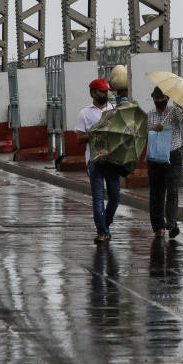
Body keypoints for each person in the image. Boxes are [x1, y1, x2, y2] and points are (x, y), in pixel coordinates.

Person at [75, 78, 117, 243]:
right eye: (101, 91)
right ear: (93, 93)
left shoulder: (114, 110)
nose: (105, 94)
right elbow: (79, 139)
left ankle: (104, 224)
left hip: (113, 160)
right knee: (98, 197)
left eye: (106, 91)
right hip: (94, 161)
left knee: (115, 197)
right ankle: (102, 232)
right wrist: (95, 134)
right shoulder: (84, 113)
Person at [147, 86, 183, 238]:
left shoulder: (174, 111)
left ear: (168, 98)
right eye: (157, 100)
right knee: (156, 192)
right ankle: (158, 226)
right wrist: (153, 129)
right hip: (155, 157)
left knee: (172, 191)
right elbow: (141, 134)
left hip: (173, 155)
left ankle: (171, 223)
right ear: (153, 99)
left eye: (163, 99)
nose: (160, 102)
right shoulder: (150, 114)